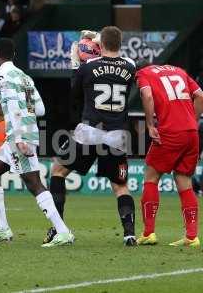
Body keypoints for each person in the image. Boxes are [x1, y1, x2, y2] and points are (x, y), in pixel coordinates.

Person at [44, 26, 137, 246]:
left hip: (90, 132)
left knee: (57, 172)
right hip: (118, 134)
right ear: (120, 43)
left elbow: (75, 93)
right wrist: (98, 38)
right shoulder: (131, 66)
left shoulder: (88, 66)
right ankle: (130, 234)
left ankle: (59, 230)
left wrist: (75, 63)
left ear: (100, 45)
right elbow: (116, 56)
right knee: (120, 186)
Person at [0, 38, 73, 247]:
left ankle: (63, 231)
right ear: (14, 55)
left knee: (33, 183)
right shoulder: (25, 77)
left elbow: (14, 105)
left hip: (19, 136)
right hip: (22, 133)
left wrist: (20, 137)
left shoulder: (2, 75)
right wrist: (4, 115)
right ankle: (3, 229)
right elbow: (39, 110)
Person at [135, 63, 203, 248]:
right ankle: (191, 236)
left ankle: (148, 233)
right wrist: (192, 121)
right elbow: (200, 95)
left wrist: (150, 125)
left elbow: (147, 95)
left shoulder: (143, 73)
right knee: (184, 181)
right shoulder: (179, 70)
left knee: (151, 176)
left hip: (170, 132)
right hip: (191, 133)